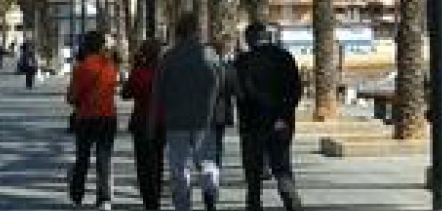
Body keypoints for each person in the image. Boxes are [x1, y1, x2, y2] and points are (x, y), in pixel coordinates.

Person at [157, 13, 226, 211]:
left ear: (178, 33)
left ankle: (183, 206)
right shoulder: (210, 55)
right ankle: (210, 182)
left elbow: (158, 90)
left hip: (176, 120)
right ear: (197, 31)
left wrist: (154, 121)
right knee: (206, 161)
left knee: (179, 168)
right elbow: (221, 84)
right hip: (204, 120)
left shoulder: (168, 57)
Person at [233, 22, 304, 211]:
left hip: (252, 125)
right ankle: (292, 201)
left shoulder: (243, 62)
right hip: (281, 124)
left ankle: (254, 205)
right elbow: (296, 90)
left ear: (249, 39)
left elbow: (241, 92)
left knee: (253, 176)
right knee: (282, 169)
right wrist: (283, 115)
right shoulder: (286, 58)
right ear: (266, 36)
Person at [65, 30, 119, 210]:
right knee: (104, 158)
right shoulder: (110, 65)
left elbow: (72, 97)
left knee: (83, 157)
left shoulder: (81, 68)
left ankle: (77, 195)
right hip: (108, 116)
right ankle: (104, 198)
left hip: (86, 117)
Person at [120, 39, 165, 210]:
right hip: (162, 122)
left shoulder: (139, 72)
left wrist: (135, 68)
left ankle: (150, 201)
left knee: (144, 164)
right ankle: (156, 197)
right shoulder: (165, 72)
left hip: (142, 121)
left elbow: (126, 94)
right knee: (158, 161)